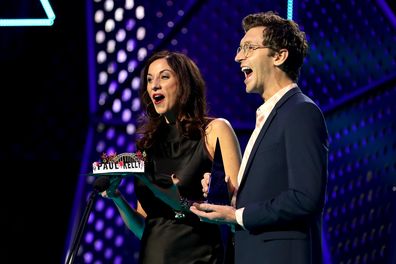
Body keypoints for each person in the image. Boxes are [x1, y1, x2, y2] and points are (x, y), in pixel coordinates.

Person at [190, 11, 329, 264]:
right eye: (239, 48)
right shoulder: (270, 116)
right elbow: (267, 194)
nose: (237, 56)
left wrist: (238, 216)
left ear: (279, 56)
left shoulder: (301, 111)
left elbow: (305, 198)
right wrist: (228, 194)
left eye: (248, 48)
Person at [102, 50, 242, 264]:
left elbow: (237, 210)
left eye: (164, 77)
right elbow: (145, 229)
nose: (154, 85)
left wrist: (175, 195)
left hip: (199, 257)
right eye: (149, 80)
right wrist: (116, 197)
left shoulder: (215, 131)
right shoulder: (147, 146)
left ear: (185, 84)